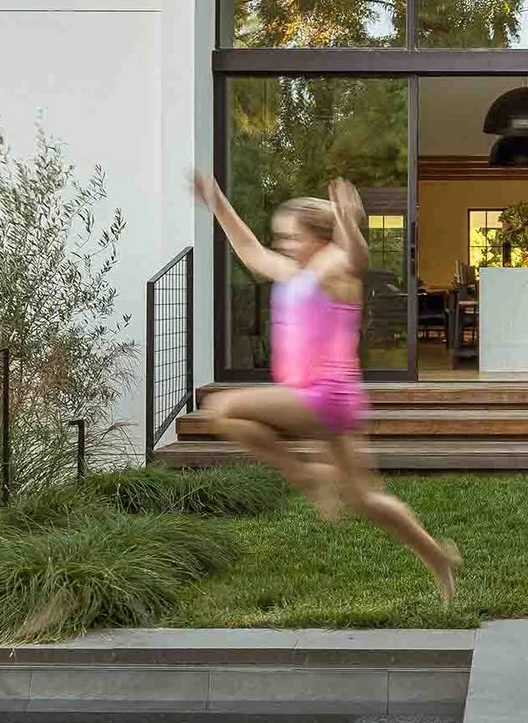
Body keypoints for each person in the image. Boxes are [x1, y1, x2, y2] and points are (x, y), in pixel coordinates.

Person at [191, 170, 462, 604]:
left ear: (319, 237)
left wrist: (347, 222)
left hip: (321, 397)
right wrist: (217, 202)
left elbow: (357, 257)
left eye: (292, 237)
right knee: (366, 499)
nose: (283, 246)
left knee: (223, 409)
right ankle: (437, 557)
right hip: (336, 402)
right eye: (281, 238)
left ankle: (308, 477)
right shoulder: (294, 271)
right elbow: (249, 249)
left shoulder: (331, 267)